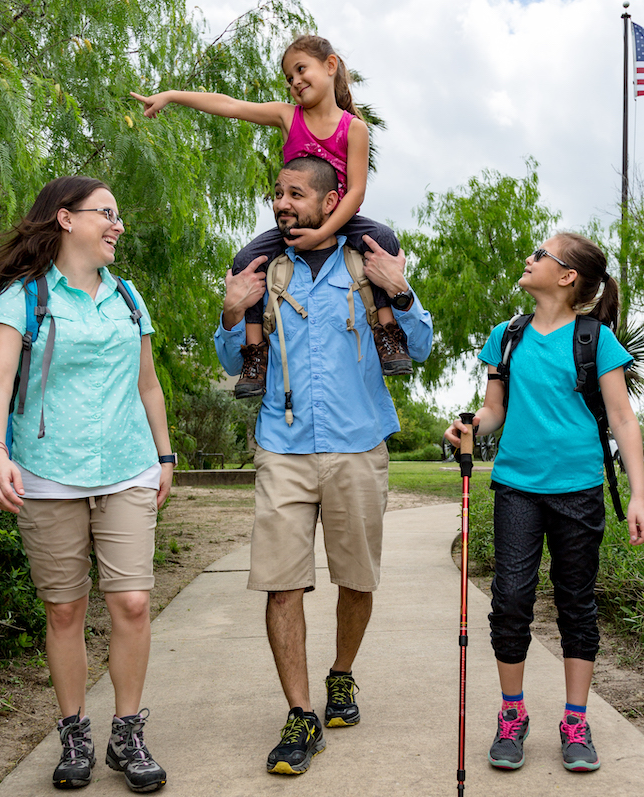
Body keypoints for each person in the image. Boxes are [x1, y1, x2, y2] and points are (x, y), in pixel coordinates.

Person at [214, 155, 432, 775]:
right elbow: (236, 365)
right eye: (276, 194)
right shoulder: (262, 266)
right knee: (282, 583)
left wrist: (401, 290)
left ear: (332, 197)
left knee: (356, 578)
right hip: (282, 448)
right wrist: (233, 312)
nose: (282, 204)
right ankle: (301, 713)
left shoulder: (368, 258)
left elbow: (418, 348)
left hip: (358, 443)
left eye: (296, 194)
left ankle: (342, 675)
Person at [0, 176, 173, 793]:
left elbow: (148, 385)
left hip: (127, 466)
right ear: (65, 219)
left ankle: (127, 733)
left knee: (133, 601)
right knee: (64, 609)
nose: (117, 225)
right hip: (44, 470)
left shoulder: (128, 298)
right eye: (106, 214)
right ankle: (73, 733)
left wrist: (165, 456)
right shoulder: (24, 297)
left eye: (118, 215)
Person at [444, 233, 644, 774]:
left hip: (579, 489)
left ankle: (575, 721)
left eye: (540, 255)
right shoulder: (506, 337)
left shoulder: (595, 339)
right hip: (517, 486)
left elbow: (623, 419)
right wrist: (469, 424)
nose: (528, 258)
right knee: (511, 598)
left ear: (566, 277)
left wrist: (639, 495)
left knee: (575, 603)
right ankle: (512, 714)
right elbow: (495, 410)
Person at [132, 33, 412, 398]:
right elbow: (230, 105)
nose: (294, 82)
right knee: (248, 260)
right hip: (298, 221)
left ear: (329, 67)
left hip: (340, 218)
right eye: (288, 77)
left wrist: (324, 231)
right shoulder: (287, 116)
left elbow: (356, 191)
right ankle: (254, 356)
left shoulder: (353, 128)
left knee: (384, 240)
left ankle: (388, 335)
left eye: (300, 70)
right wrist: (171, 96)